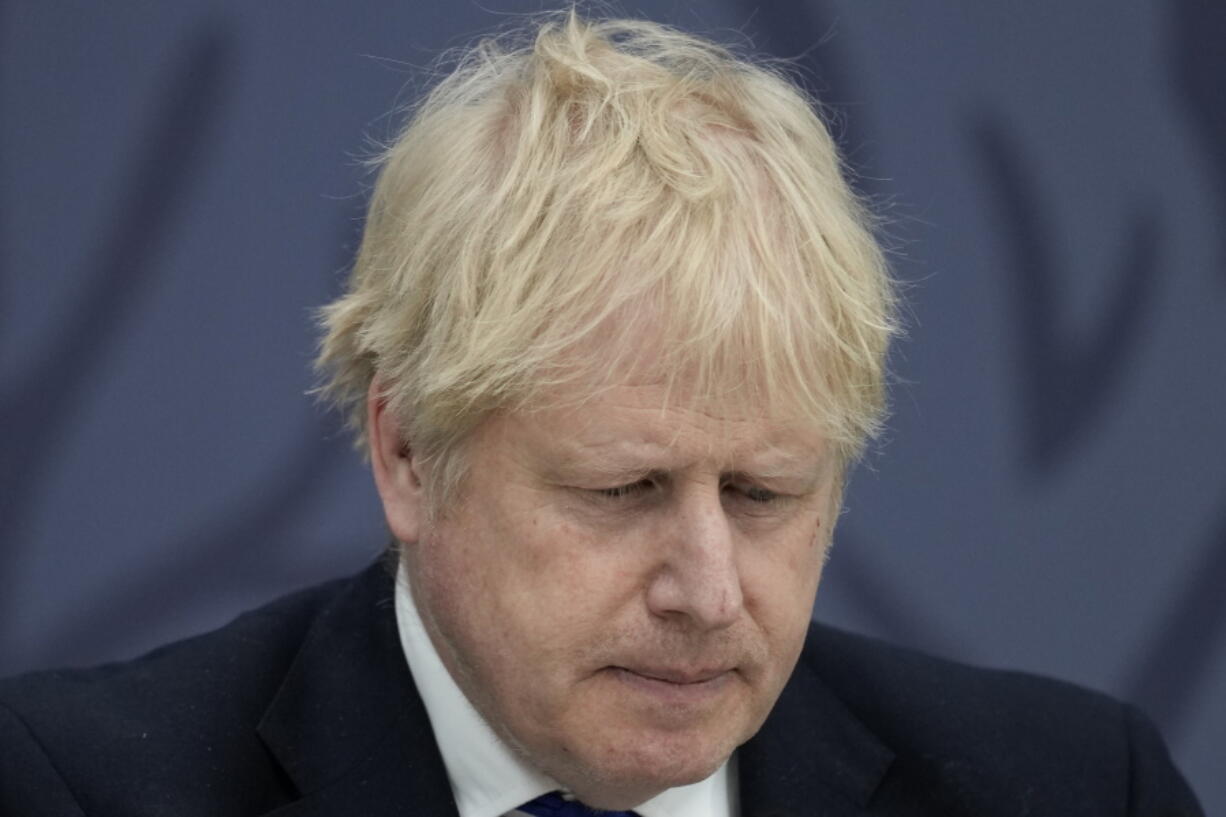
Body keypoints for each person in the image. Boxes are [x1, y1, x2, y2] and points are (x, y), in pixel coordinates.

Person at [0, 11, 1203, 817]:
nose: (708, 588)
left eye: (764, 492)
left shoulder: (1080, 789)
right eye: (621, 490)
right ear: (406, 451)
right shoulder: (74, 789)